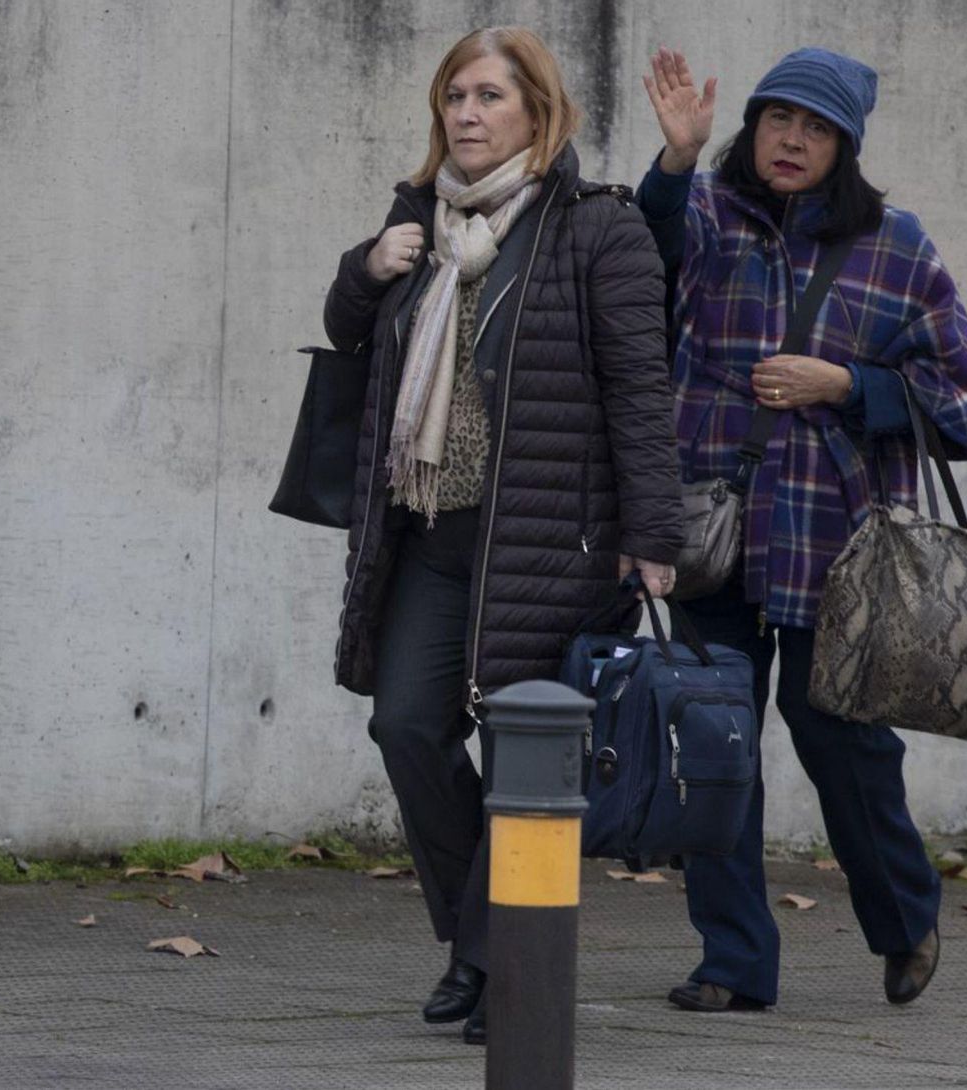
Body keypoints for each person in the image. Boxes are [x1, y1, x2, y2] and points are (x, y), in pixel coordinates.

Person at [323, 27, 682, 1045]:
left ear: (538, 112)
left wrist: (652, 529)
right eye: (454, 98)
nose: (466, 115)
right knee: (406, 728)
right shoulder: (418, 223)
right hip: (433, 537)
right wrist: (364, 268)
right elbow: (351, 337)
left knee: (528, 765)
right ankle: (481, 942)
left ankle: (495, 964)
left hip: (551, 543)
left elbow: (640, 391)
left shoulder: (596, 229)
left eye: (488, 97)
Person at [637, 46, 967, 1011]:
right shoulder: (704, 214)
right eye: (778, 119)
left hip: (837, 540)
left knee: (838, 734)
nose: (792, 140)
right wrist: (672, 165)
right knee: (714, 743)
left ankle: (906, 911)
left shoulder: (900, 248)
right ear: (751, 127)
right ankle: (735, 964)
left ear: (848, 147)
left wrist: (850, 387)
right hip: (709, 523)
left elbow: (963, 407)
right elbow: (636, 273)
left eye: (818, 128)